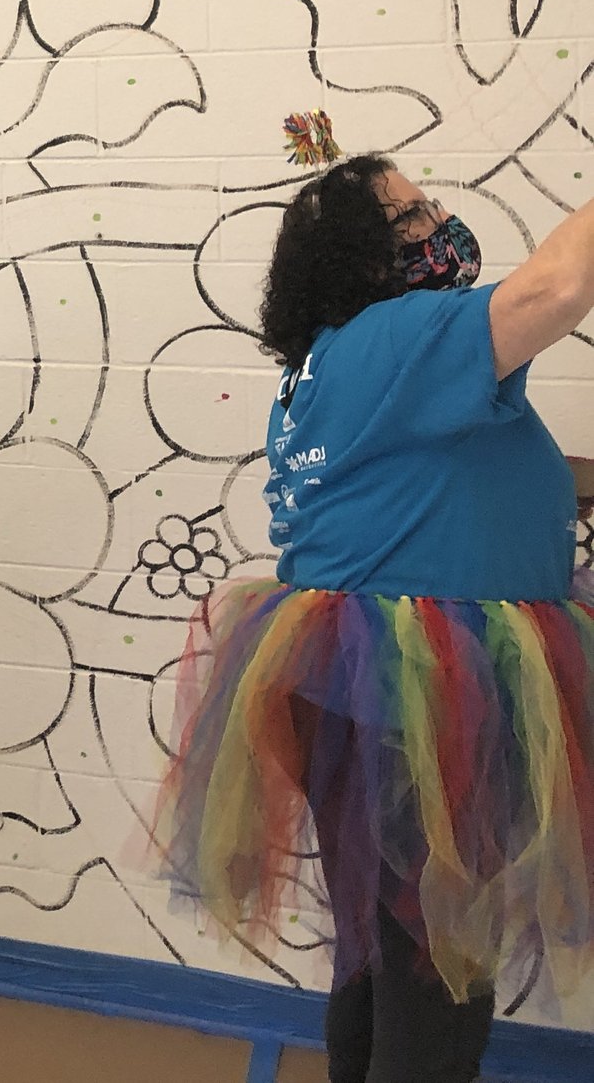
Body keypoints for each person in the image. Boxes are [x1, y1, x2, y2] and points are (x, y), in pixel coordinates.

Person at [156, 146, 594, 1083]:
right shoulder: (400, 334)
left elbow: (423, 481)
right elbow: (557, 287)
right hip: (424, 691)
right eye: (410, 217)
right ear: (361, 259)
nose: (438, 225)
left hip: (357, 679)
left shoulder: (327, 364)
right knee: (437, 961)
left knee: (385, 943)